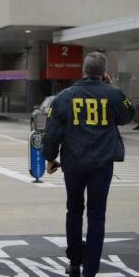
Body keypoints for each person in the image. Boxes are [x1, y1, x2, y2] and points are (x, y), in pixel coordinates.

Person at [42, 52, 136, 277]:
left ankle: (75, 261)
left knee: (74, 211)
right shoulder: (113, 94)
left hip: (73, 165)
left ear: (83, 70)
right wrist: (111, 87)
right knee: (96, 215)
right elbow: (127, 116)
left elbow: (53, 131)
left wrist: (49, 158)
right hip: (102, 166)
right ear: (104, 73)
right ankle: (90, 270)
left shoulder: (66, 96)